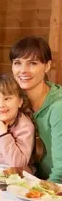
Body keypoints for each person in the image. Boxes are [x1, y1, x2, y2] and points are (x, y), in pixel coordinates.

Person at [10, 36, 62, 182]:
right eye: (17, 63)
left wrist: (41, 193)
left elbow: (61, 172)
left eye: (32, 63)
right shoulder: (16, 100)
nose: (23, 70)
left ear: (47, 66)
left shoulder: (58, 107)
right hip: (36, 181)